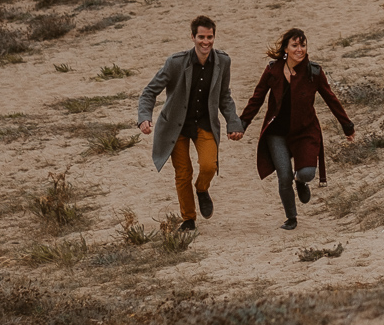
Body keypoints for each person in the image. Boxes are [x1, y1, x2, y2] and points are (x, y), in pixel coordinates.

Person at [239, 27, 354, 230]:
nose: (299, 49)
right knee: (284, 176)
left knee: (308, 172)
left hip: (305, 131)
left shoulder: (314, 72)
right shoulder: (272, 71)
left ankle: (300, 181)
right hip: (277, 133)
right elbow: (256, 99)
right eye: (295, 45)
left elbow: (331, 99)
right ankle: (291, 218)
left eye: (303, 45)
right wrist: (242, 124)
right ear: (286, 48)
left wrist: (347, 126)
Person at [136, 15, 244, 231]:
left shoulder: (223, 61)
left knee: (208, 165)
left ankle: (202, 189)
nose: (206, 42)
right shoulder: (175, 63)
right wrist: (144, 117)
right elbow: (149, 91)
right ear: (192, 37)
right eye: (201, 37)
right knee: (182, 173)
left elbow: (224, 96)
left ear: (214, 37)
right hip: (176, 127)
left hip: (205, 123)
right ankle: (189, 219)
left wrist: (234, 122)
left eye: (210, 37)